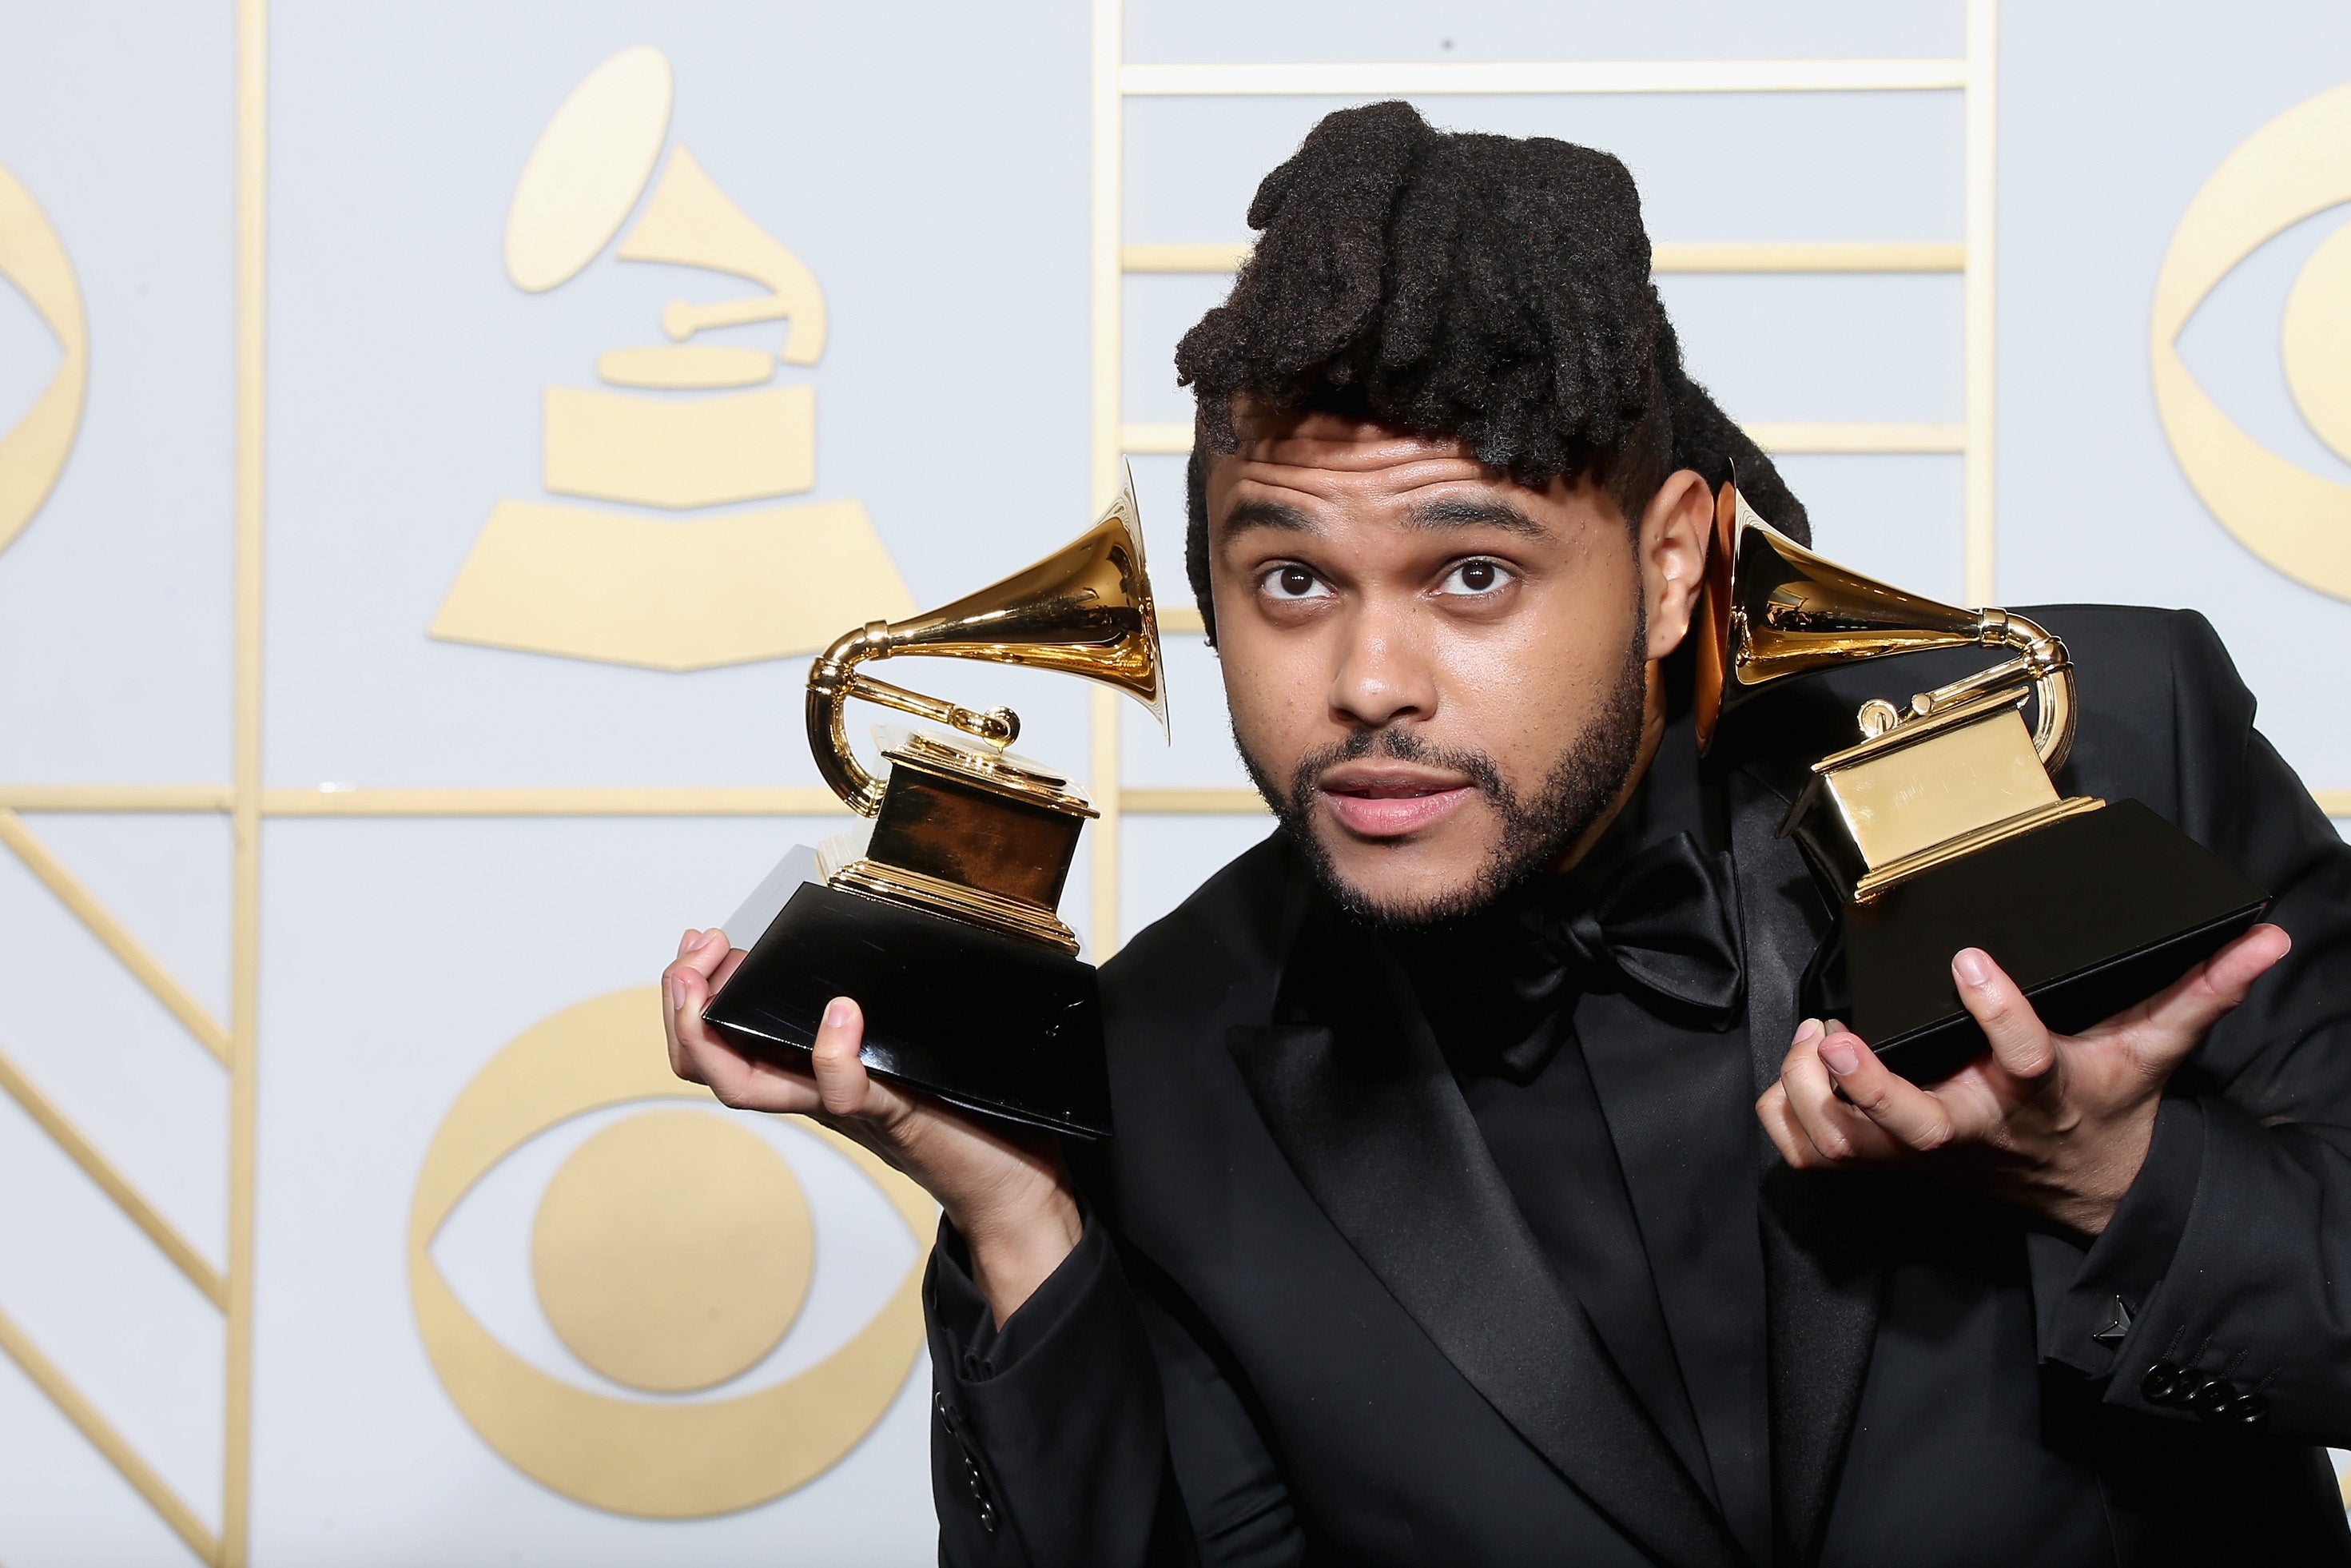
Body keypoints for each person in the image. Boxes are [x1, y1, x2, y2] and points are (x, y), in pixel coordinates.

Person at [662, 102, 2351, 1566]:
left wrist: (2111, 1176)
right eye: (1290, 579)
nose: (1366, 681)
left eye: (1471, 574)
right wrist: (1021, 1223)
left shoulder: (2092, 743)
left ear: (1672, 563)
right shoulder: (1162, 1061)